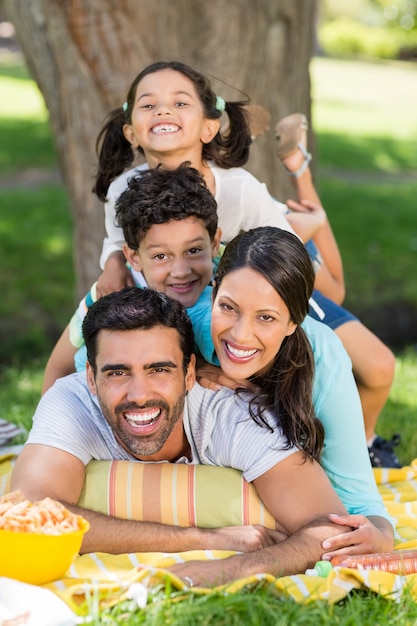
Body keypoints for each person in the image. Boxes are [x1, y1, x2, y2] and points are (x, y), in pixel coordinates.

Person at [41, 166, 393, 557]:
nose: (240, 335)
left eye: (266, 317)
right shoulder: (173, 319)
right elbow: (88, 371)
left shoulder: (321, 356)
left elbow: (358, 502)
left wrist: (378, 533)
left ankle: (312, 219)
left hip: (297, 485)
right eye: (229, 308)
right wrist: (188, 370)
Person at [90, 60, 399, 467]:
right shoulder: (122, 190)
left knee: (375, 362)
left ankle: (365, 443)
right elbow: (118, 241)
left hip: (271, 271)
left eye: (179, 102)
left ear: (209, 127)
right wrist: (112, 262)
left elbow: (284, 254)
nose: (163, 111)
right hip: (225, 302)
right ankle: (306, 200)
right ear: (130, 130)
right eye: (149, 105)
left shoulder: (238, 190)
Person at [11, 287, 351, 585]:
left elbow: (330, 527)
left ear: (189, 373)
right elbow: (29, 511)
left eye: (159, 370)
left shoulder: (232, 416)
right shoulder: (71, 401)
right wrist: (203, 538)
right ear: (89, 376)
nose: (139, 394)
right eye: (118, 372)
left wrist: (236, 570)